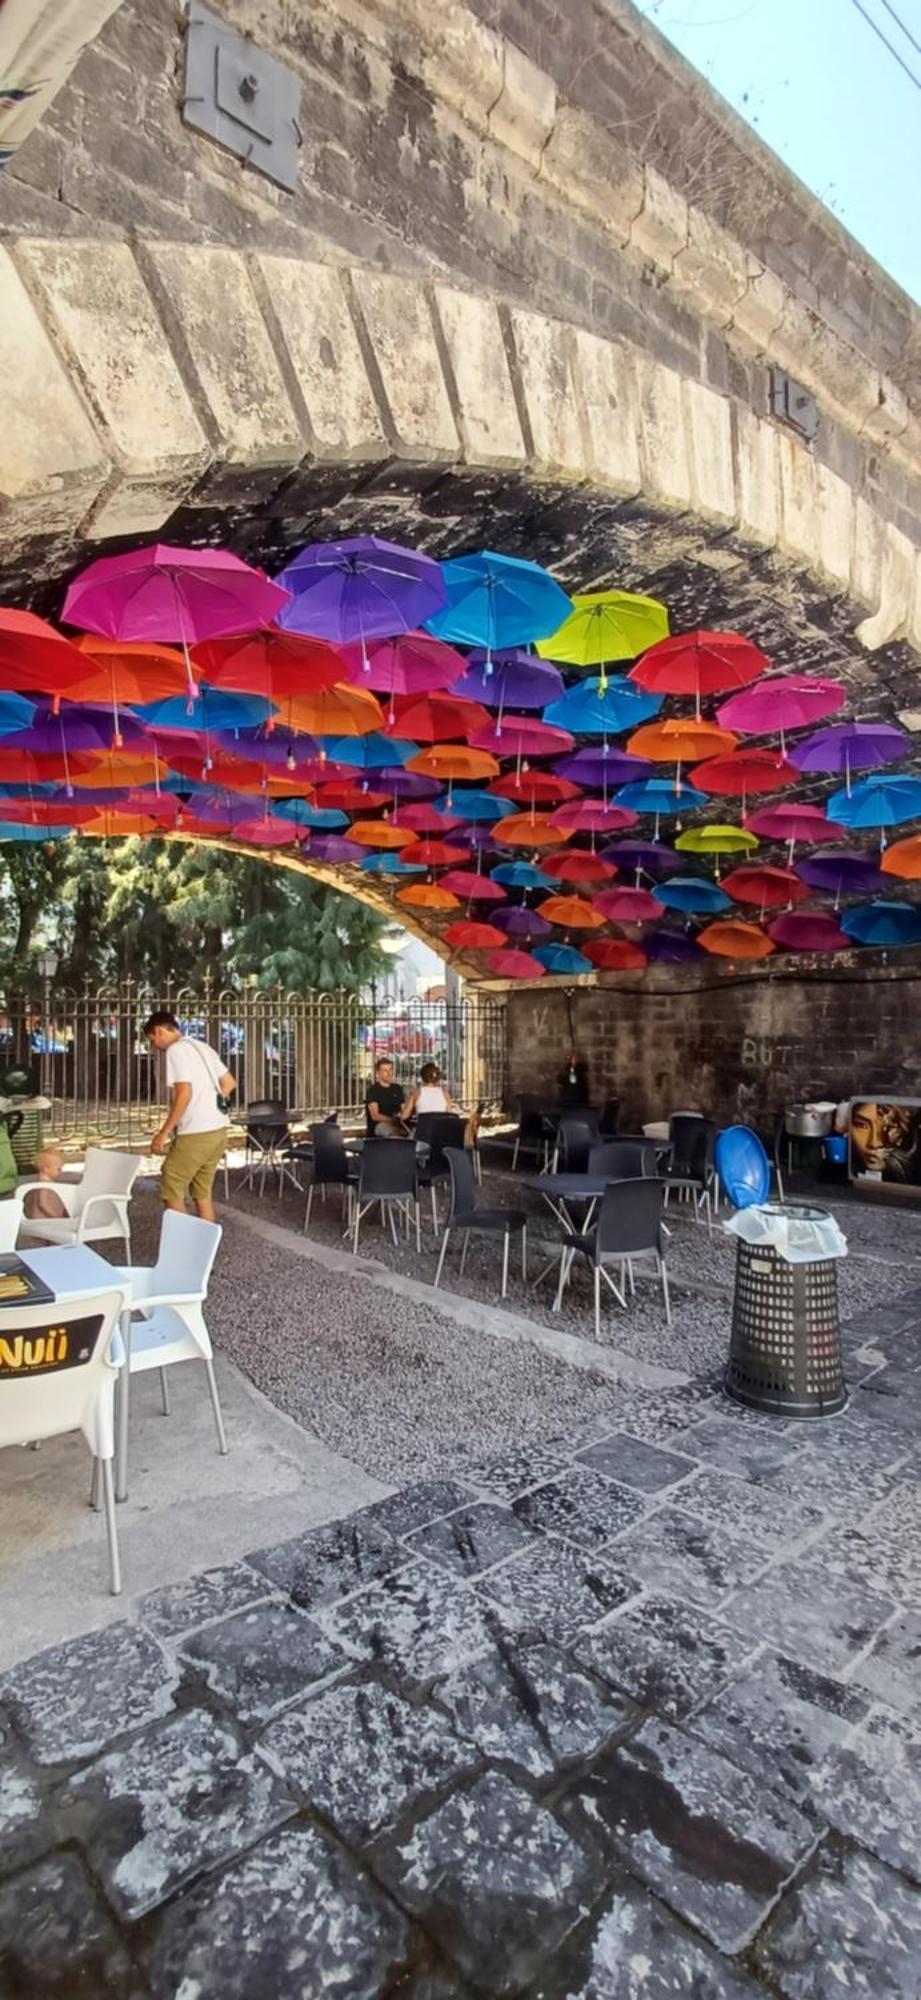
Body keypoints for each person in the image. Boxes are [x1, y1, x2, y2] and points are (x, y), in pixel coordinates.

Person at [144, 1010, 236, 1221]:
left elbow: (184, 1094)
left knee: (171, 1185)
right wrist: (210, 1102)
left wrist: (163, 1132)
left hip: (196, 1132)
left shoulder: (176, 1051)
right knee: (202, 1191)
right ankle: (205, 1247)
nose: (154, 1046)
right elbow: (230, 1083)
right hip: (218, 1130)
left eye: (152, 1040)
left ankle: (185, 1245)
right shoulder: (203, 1047)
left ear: (159, 1031)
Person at [364, 1056, 407, 1138]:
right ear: (378, 1072)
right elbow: (375, 1116)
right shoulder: (373, 1090)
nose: (389, 1073)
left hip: (398, 1124)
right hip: (380, 1125)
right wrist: (393, 1120)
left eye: (390, 1070)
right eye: (385, 1071)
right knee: (394, 1135)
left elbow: (404, 1109)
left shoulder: (397, 1088)